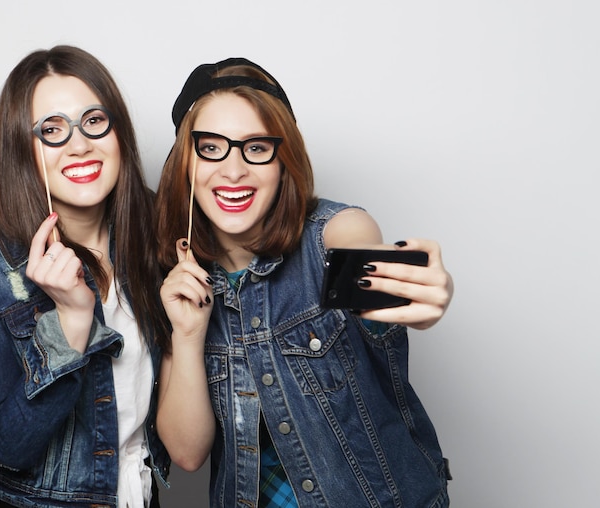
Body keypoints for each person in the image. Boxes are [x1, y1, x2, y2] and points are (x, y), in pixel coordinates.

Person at [155, 57, 454, 507]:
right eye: (211, 147)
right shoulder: (177, 281)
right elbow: (187, 453)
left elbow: (364, 267)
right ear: (185, 162)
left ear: (283, 161)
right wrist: (188, 334)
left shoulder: (335, 231)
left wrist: (416, 291)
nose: (233, 170)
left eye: (256, 148)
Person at [0, 45, 171, 507]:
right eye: (52, 129)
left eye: (93, 121)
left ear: (117, 130)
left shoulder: (159, 233)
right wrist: (69, 323)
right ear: (22, 151)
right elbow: (8, 447)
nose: (79, 144)